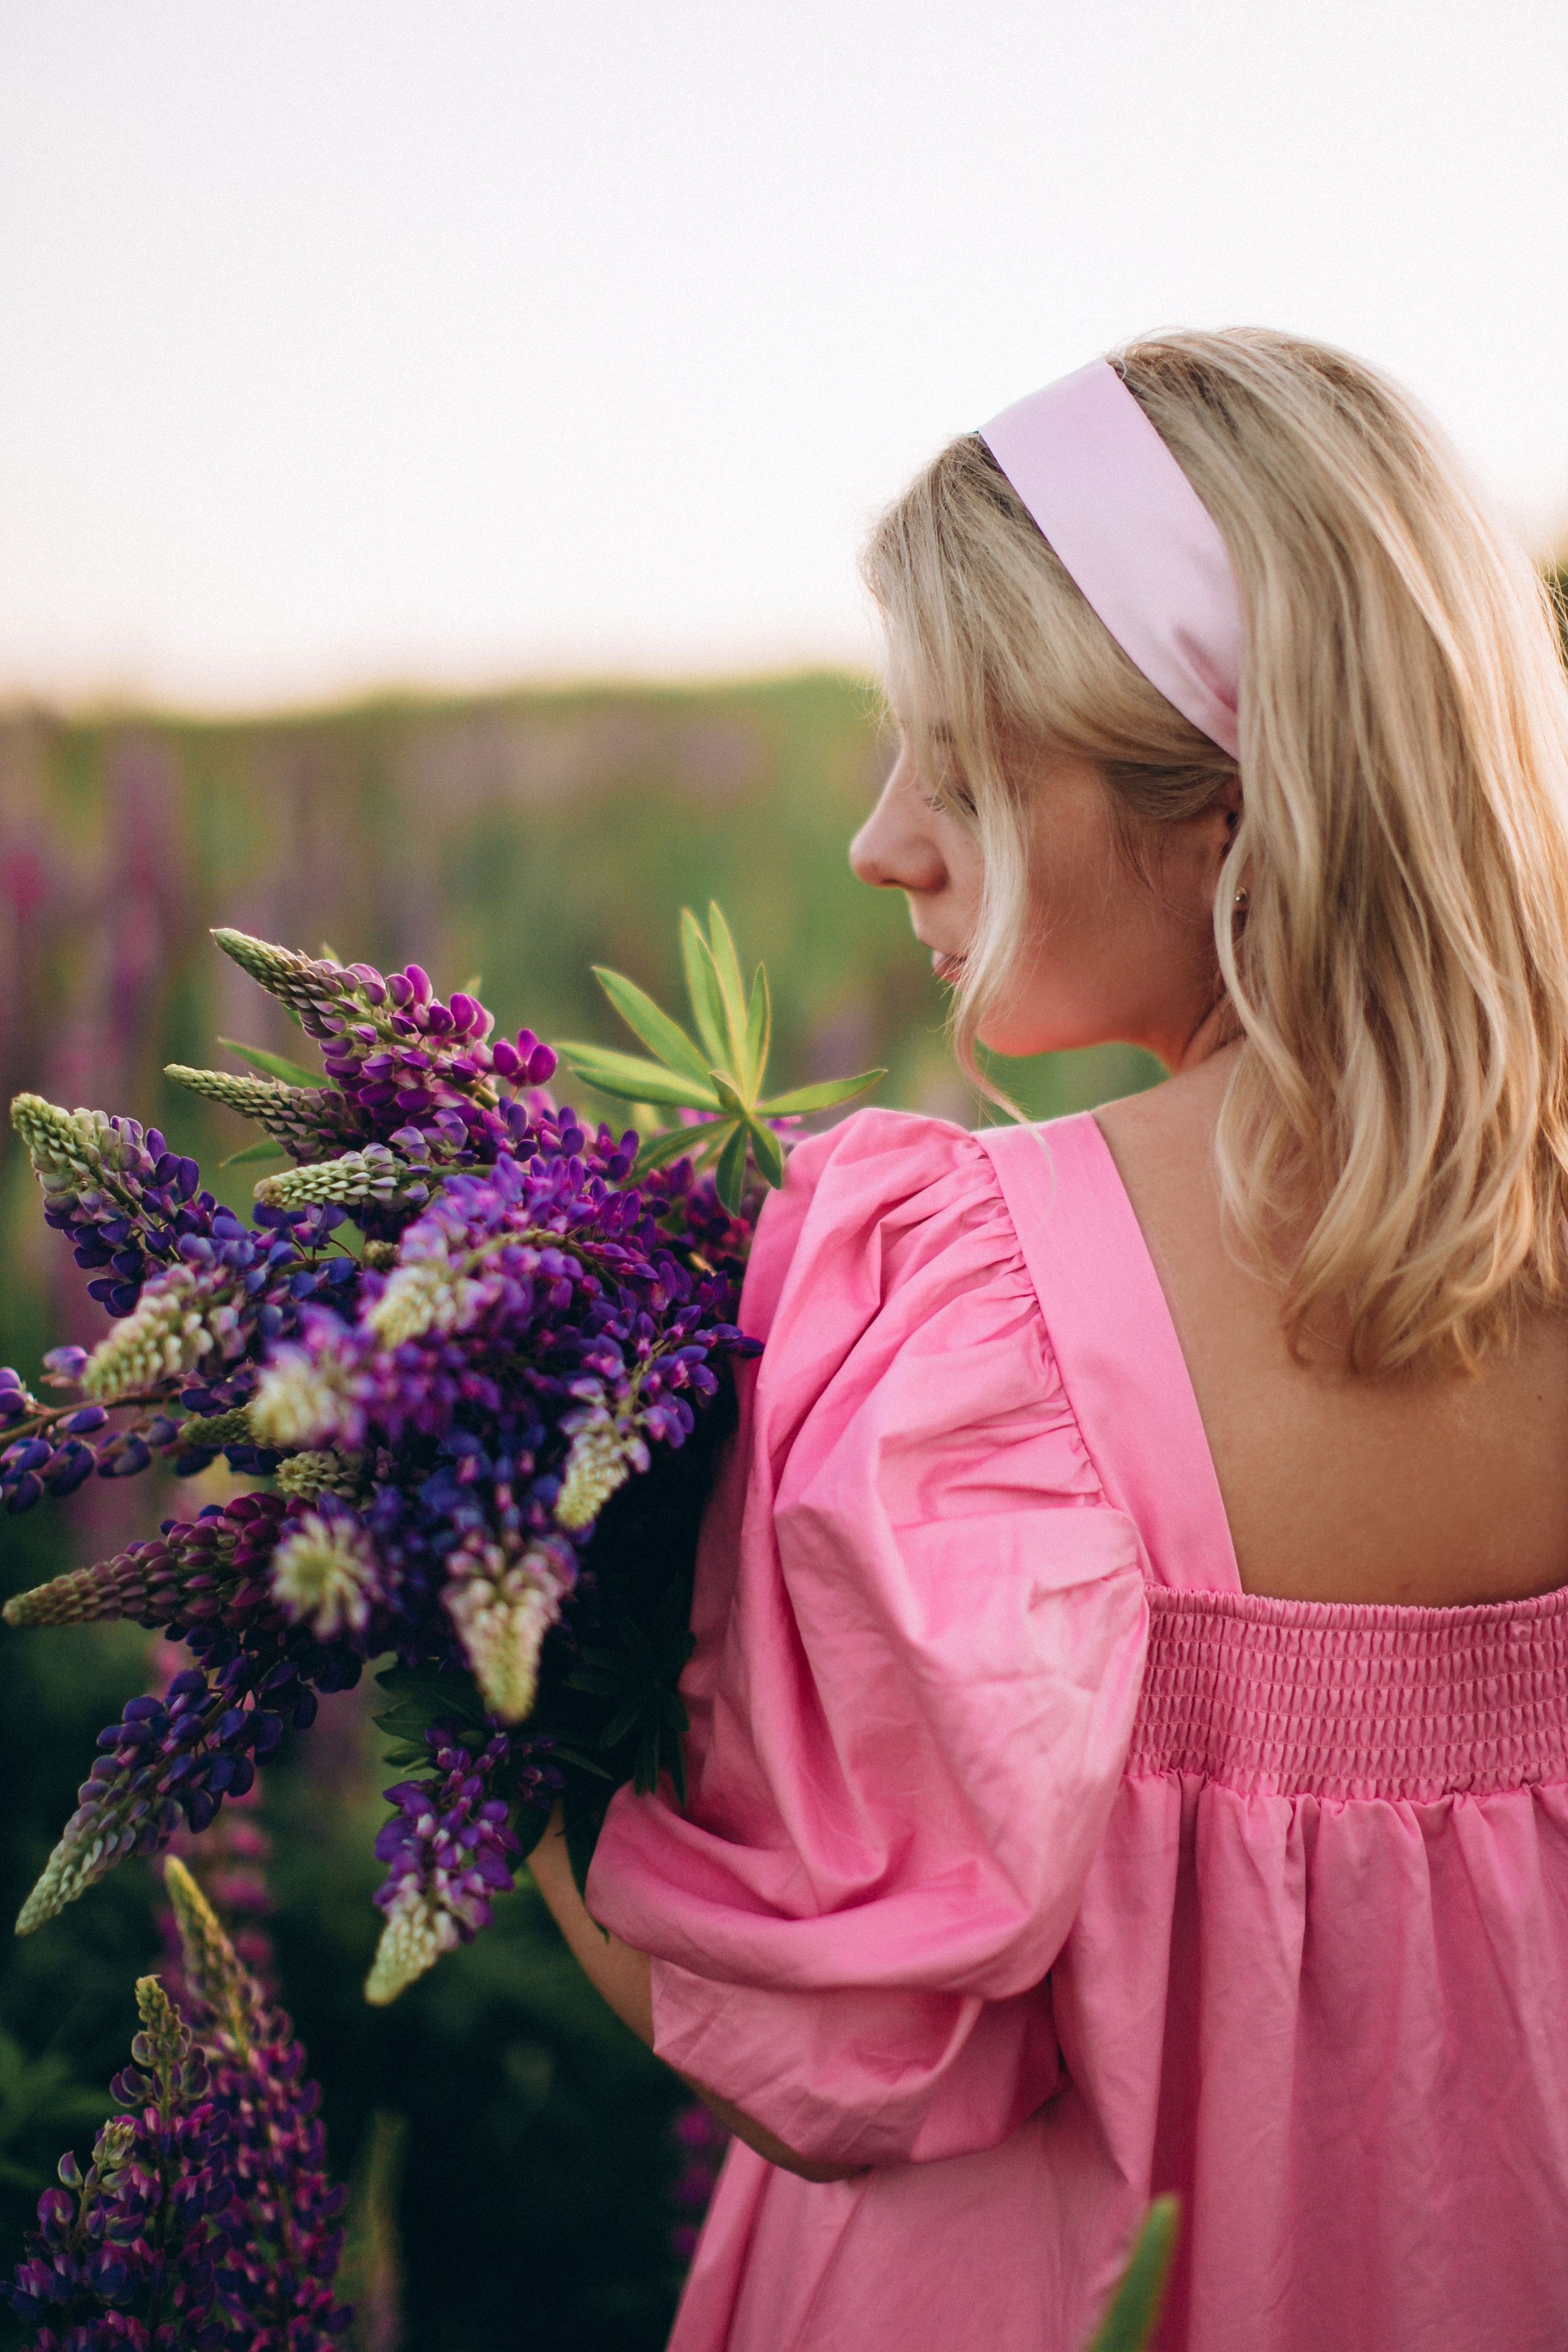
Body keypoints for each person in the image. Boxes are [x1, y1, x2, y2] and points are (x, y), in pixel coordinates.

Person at [527, 330, 1568, 2352]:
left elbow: (832, 2038)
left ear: (1224, 807)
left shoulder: (975, 1291)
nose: (884, 838)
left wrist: (477, 1674)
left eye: (972, 766)